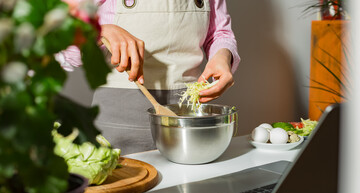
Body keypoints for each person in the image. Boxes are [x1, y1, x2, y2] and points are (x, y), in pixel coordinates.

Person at [59, 0, 240, 155]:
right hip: (120, 117)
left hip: (187, 115)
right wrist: (100, 32)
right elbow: (61, 40)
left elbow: (219, 33)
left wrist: (222, 56)